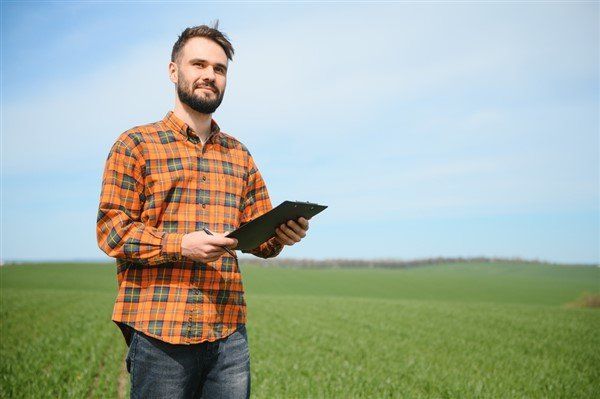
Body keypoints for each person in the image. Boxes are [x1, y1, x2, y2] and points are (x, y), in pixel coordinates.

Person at [96, 22, 309, 398]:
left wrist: (281, 236)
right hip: (159, 333)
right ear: (173, 70)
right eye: (199, 64)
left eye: (220, 69)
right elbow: (112, 231)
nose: (210, 75)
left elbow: (259, 239)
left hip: (228, 336)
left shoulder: (239, 154)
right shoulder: (135, 144)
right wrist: (181, 245)